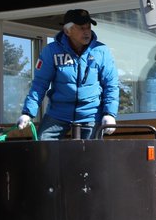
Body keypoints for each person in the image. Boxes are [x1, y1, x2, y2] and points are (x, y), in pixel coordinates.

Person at [18, 9, 119, 140]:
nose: (87, 31)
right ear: (67, 31)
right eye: (81, 28)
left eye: (88, 27)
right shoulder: (51, 51)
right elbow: (40, 84)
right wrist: (28, 113)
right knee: (42, 148)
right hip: (58, 113)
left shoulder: (101, 51)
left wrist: (109, 114)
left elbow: (111, 85)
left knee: (90, 156)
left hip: (91, 114)